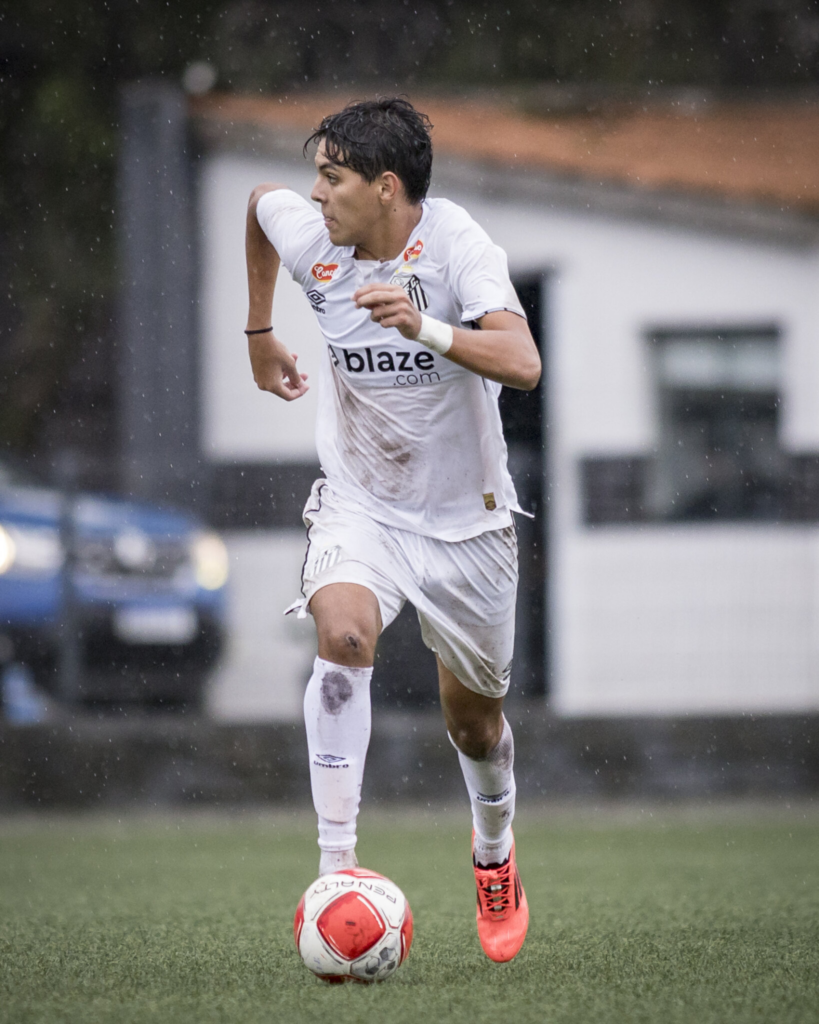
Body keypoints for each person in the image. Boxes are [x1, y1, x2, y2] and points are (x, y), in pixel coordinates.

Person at [244, 97, 541, 964]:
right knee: (341, 633)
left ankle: (493, 852)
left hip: (467, 527)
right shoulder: (314, 238)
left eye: (331, 178)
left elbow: (522, 364)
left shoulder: (456, 246)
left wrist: (428, 328)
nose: (315, 195)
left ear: (385, 187)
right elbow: (259, 205)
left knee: (474, 726)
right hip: (361, 504)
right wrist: (261, 334)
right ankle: (336, 872)